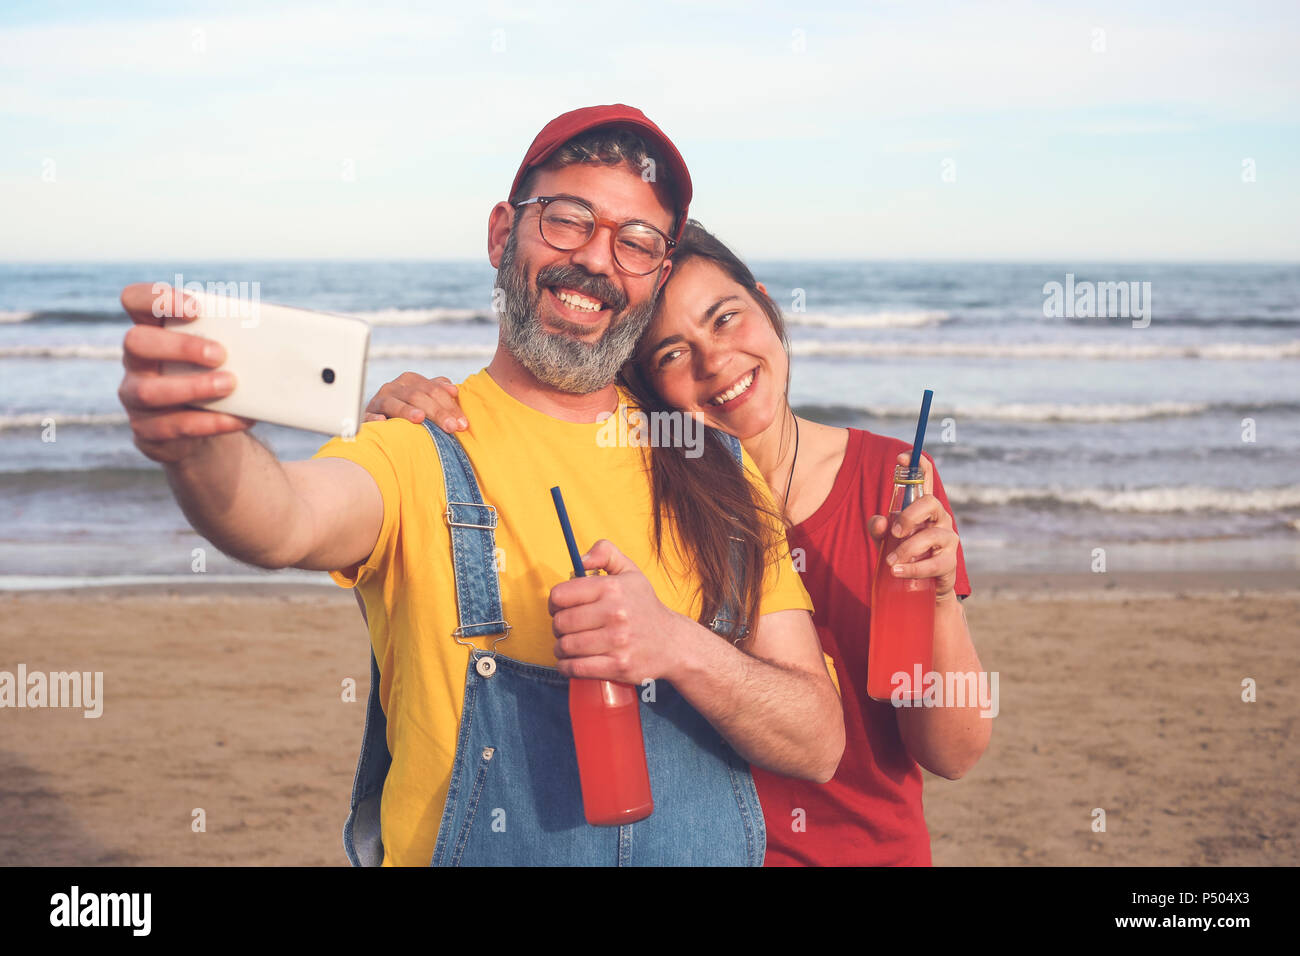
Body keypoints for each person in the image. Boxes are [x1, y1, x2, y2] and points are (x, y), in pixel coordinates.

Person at [114, 105, 844, 867]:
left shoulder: (715, 470)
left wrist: (679, 649)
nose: (598, 260)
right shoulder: (416, 446)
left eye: (635, 243)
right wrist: (201, 444)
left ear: (656, 276)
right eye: (568, 220)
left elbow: (818, 740)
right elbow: (282, 523)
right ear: (503, 233)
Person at [366, 220, 992, 866]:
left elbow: (953, 753)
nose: (715, 361)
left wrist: (939, 601)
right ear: (642, 386)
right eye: (671, 354)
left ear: (767, 306)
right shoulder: (635, 499)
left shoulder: (890, 482)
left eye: (726, 318)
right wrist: (414, 425)